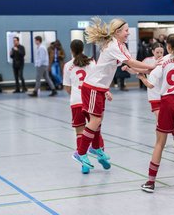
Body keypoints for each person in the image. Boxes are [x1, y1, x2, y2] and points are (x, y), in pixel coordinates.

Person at [72, 17, 160, 172]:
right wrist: (150, 66)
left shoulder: (121, 45)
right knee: (95, 120)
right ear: (118, 31)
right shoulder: (114, 45)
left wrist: (148, 70)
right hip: (92, 86)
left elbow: (130, 63)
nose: (128, 33)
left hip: (100, 88)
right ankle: (80, 153)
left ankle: (96, 148)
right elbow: (132, 63)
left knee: (98, 121)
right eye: (126, 30)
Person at [139, 34, 174, 196]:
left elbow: (151, 84)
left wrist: (142, 78)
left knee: (160, 143)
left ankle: (150, 182)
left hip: (166, 102)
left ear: (168, 47)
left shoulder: (164, 60)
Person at [63, 40, 111, 174]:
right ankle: (102, 155)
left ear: (71, 50)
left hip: (76, 101)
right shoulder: (91, 62)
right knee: (95, 128)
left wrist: (75, 95)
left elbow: (67, 87)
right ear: (83, 48)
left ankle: (84, 163)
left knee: (80, 133)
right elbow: (99, 80)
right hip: (91, 98)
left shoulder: (67, 65)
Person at [124, 42, 174, 147]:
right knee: (159, 118)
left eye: (161, 52)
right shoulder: (147, 61)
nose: (159, 54)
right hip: (153, 94)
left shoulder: (166, 61)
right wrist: (128, 69)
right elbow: (139, 70)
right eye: (157, 52)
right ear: (153, 51)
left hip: (165, 93)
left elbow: (148, 71)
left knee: (170, 118)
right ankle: (159, 141)